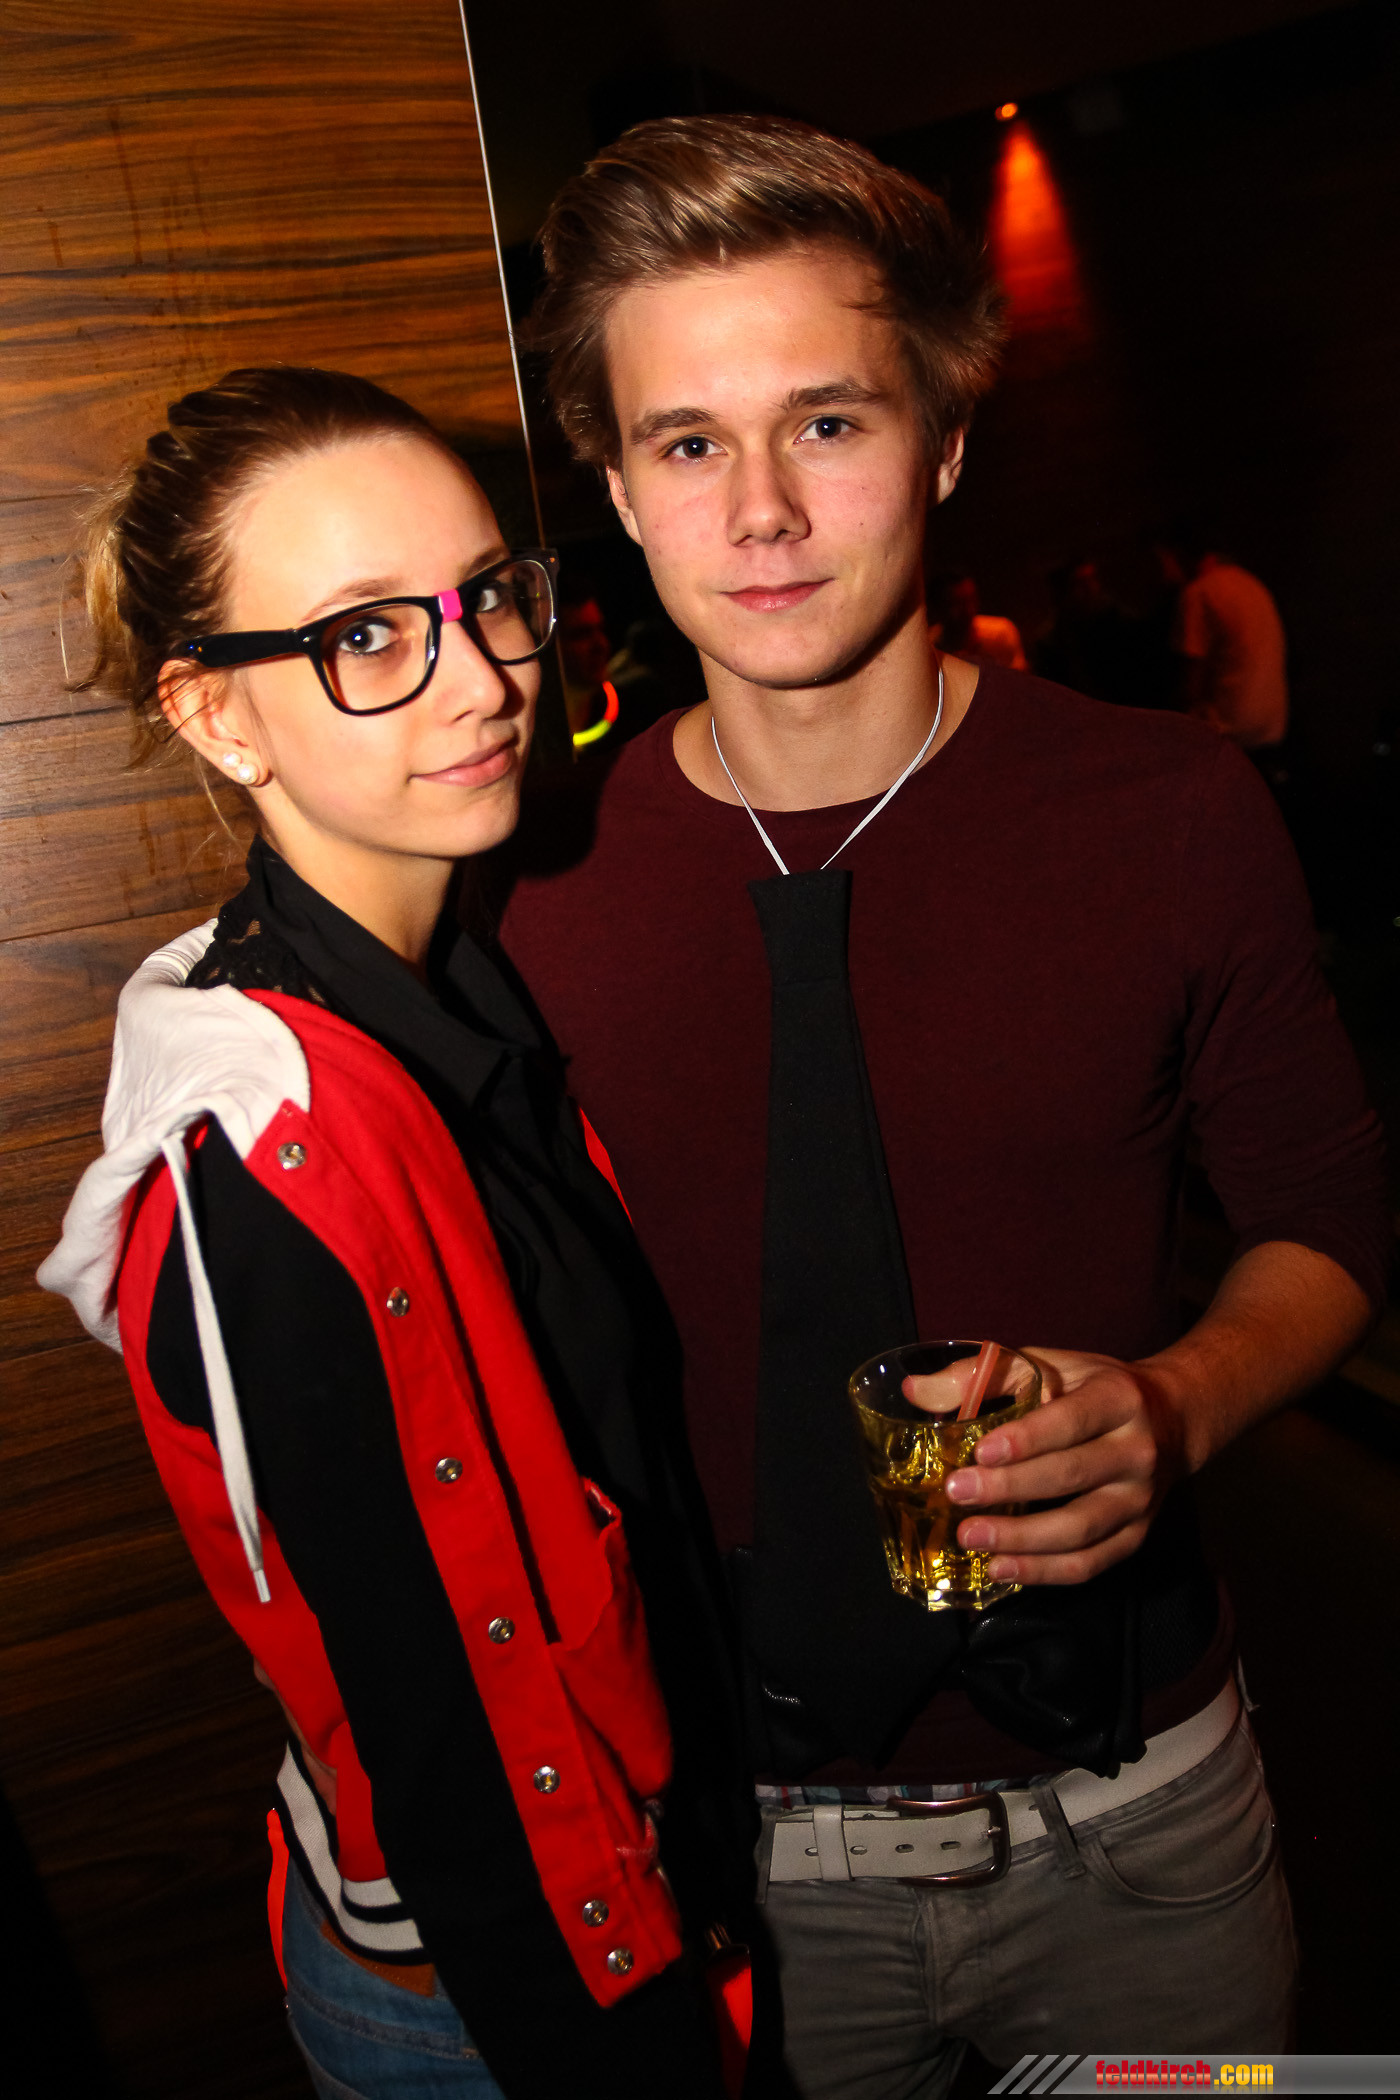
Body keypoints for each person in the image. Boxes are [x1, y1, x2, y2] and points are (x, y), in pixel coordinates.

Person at [496, 115, 1390, 2093]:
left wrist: (1178, 1402)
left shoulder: (1166, 810)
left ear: (947, 440)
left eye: (827, 423)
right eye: (686, 444)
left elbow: (1330, 1223)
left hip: (1147, 1821)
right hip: (727, 1846)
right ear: (617, 492)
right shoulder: (527, 880)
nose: (761, 513)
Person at [38, 368, 753, 2100]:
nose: (482, 677)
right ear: (218, 717)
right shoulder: (279, 1171)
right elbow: (460, 1729)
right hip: (510, 2001)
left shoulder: (458, 983)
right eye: (366, 635)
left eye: (486, 597)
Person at [1162, 521, 1289, 753]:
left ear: (1178, 554)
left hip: (1228, 731)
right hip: (1271, 729)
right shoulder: (1251, 584)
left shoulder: (1199, 591)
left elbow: (1190, 686)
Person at [928, 566, 1027, 670]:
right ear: (938, 608)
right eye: (957, 604)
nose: (968, 610)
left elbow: (1020, 676)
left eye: (971, 601)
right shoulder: (928, 644)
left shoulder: (1000, 634)